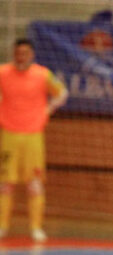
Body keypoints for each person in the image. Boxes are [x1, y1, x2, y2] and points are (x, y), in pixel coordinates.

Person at [0, 38, 68, 242]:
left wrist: (48, 109)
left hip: (33, 136)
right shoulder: (3, 73)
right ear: (14, 54)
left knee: (35, 183)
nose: (21, 57)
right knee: (5, 183)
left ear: (32, 54)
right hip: (9, 134)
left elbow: (63, 92)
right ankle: (2, 226)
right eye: (18, 53)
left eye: (25, 53)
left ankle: (36, 227)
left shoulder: (43, 74)